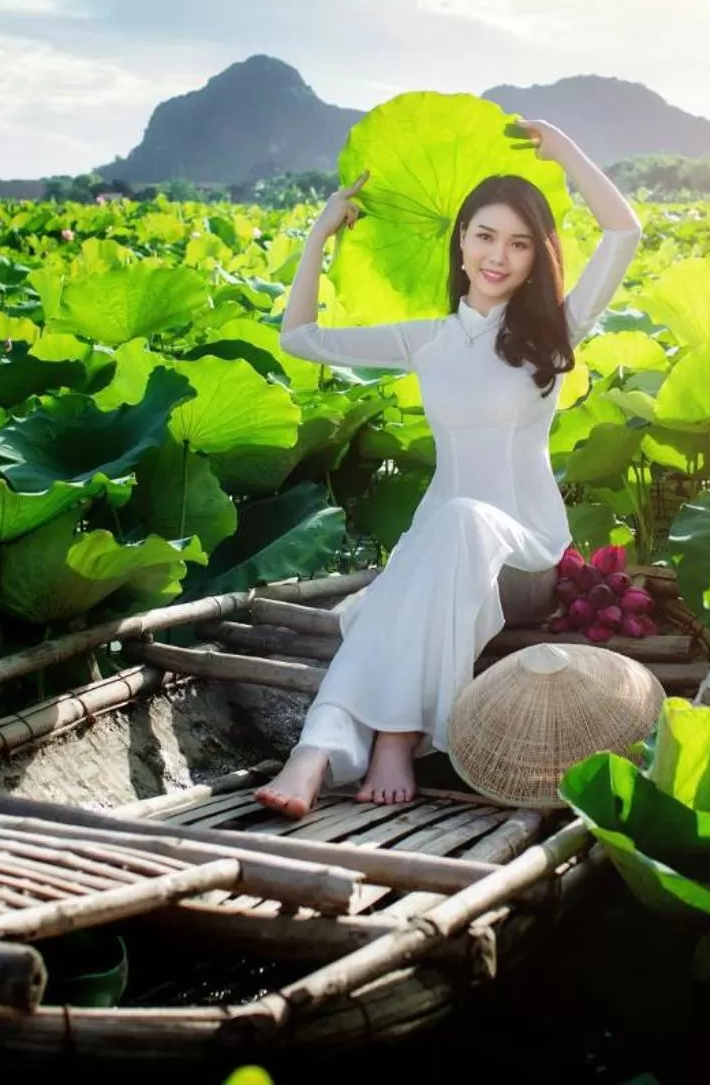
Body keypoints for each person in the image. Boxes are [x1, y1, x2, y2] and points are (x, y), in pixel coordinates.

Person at [254, 119, 643, 817]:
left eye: (520, 244)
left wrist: (567, 150)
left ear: (536, 258)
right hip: (442, 548)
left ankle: (397, 736)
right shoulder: (424, 340)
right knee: (435, 539)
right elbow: (300, 336)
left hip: (525, 560)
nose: (499, 256)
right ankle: (318, 747)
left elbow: (625, 234)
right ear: (460, 241)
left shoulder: (555, 329)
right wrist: (318, 234)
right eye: (486, 236)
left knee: (456, 524)